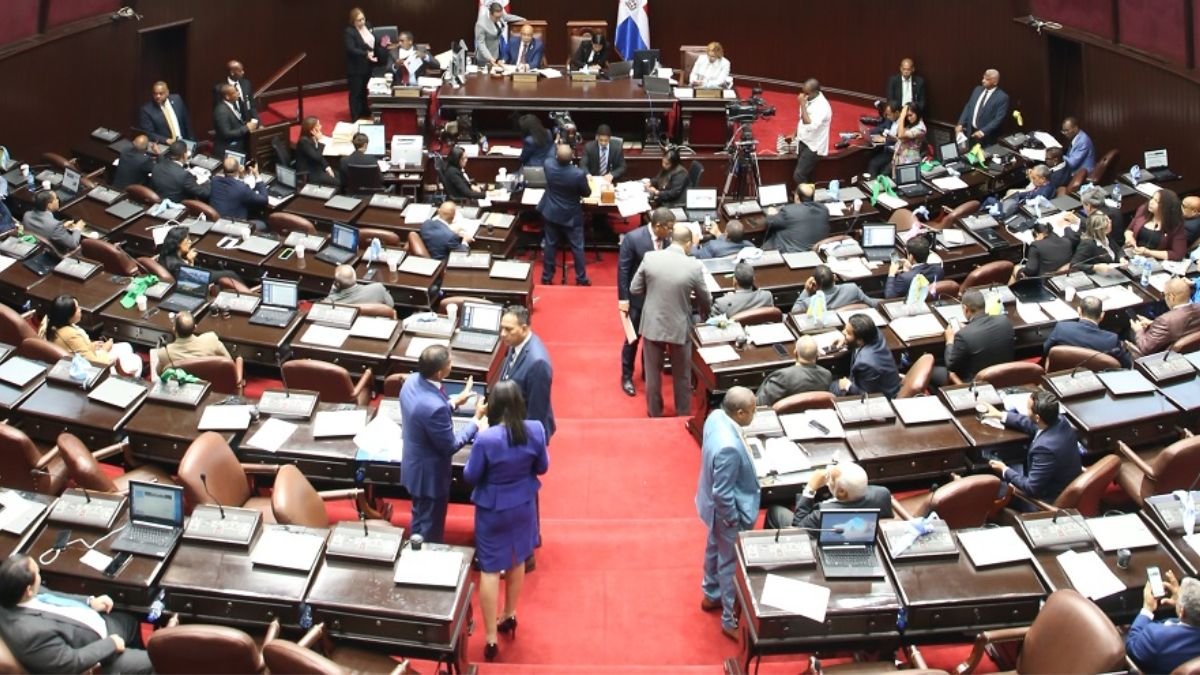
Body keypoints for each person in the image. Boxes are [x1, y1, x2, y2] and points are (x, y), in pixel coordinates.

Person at [463, 380, 547, 662]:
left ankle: (489, 637)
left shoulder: (486, 439)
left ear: (494, 407)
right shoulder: (535, 429)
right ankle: (509, 614)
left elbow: (471, 475)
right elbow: (542, 467)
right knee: (517, 558)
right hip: (523, 506)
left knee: (490, 569)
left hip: (492, 511)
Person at [0, 555, 152, 674]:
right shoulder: (30, 634)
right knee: (154, 662)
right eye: (38, 573)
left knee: (132, 621)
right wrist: (110, 644)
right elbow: (71, 663)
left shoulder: (14, 591)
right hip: (97, 657)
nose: (40, 576)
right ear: (28, 590)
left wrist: (90, 602)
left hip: (97, 625)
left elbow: (54, 596)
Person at [401, 345, 487, 542]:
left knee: (419, 516)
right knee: (430, 528)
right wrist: (476, 420)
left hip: (413, 466)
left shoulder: (411, 381)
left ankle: (416, 548)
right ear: (440, 373)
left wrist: (454, 402)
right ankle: (425, 556)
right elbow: (450, 445)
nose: (452, 364)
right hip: (430, 477)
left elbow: (425, 410)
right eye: (449, 363)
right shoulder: (434, 408)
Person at [695, 386, 761, 642]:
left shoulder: (716, 416)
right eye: (753, 410)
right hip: (727, 512)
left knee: (714, 546)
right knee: (730, 563)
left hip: (711, 507)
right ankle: (728, 619)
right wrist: (732, 520)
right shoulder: (729, 448)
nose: (755, 414)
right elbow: (723, 493)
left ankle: (711, 594)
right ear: (741, 413)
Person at [630, 223, 712, 417]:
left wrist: (654, 294)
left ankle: (654, 412)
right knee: (682, 375)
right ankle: (682, 414)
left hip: (653, 323)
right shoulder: (693, 266)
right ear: (688, 244)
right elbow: (705, 298)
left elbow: (634, 288)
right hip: (679, 326)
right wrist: (704, 314)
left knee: (652, 374)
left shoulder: (650, 258)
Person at [981, 389, 1082, 507]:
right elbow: (1032, 425)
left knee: (991, 490)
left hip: (1046, 499)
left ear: (1038, 417)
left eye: (1028, 409)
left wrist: (1004, 470)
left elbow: (1031, 488)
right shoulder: (1060, 421)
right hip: (1056, 480)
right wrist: (1000, 415)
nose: (1026, 411)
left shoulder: (1045, 450)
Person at [618, 208, 674, 397]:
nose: (671, 232)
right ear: (658, 226)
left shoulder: (668, 240)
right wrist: (623, 299)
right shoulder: (633, 238)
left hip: (658, 300)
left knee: (653, 339)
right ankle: (626, 376)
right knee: (632, 340)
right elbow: (623, 271)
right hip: (636, 300)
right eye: (669, 228)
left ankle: (647, 372)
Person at [763, 461, 893, 530]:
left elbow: (798, 531)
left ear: (841, 492)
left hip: (825, 545)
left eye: (832, 479)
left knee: (775, 511)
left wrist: (810, 489)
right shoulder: (882, 494)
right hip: (861, 534)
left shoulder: (822, 514)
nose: (829, 480)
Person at [537, 144, 591, 286]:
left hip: (552, 213)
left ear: (556, 156)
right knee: (577, 247)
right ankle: (581, 279)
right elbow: (586, 193)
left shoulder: (549, 166)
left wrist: (555, 143)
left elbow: (549, 155)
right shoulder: (578, 174)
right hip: (571, 216)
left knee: (550, 245)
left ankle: (547, 277)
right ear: (572, 157)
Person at [1127, 570, 1200, 673]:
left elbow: (1132, 647)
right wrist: (1180, 604)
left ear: (1182, 612)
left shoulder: (1157, 636)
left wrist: (1147, 609)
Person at [498, 305, 554, 439]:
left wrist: (525, 445)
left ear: (524, 329)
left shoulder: (538, 364)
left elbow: (536, 415)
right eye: (502, 328)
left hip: (523, 436)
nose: (503, 334)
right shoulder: (516, 343)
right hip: (510, 424)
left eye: (508, 329)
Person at [939, 289, 1015, 385]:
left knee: (937, 372)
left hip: (976, 384)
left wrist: (950, 340)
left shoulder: (963, 335)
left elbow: (951, 365)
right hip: (1003, 378)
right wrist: (969, 328)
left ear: (965, 308)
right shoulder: (1004, 321)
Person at [1043, 296, 1130, 367]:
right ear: (1102, 315)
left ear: (1079, 311)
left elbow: (1045, 351)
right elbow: (1127, 365)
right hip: (1097, 379)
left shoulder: (1062, 328)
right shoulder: (1111, 340)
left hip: (1060, 374)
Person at [829, 314, 901, 398]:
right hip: (873, 380)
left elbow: (865, 394)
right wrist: (846, 339)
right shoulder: (874, 333)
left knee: (831, 387)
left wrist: (847, 385)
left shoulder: (866, 363)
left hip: (880, 396)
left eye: (848, 333)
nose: (843, 332)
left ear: (860, 340)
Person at [756, 335, 833, 406]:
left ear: (795, 352)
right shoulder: (826, 375)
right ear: (817, 354)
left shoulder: (783, 377)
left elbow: (760, 403)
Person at [157, 225, 244, 285]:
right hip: (197, 281)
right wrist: (190, 261)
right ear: (178, 244)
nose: (190, 242)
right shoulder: (177, 265)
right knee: (230, 274)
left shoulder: (164, 254)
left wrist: (189, 261)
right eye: (187, 240)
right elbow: (191, 278)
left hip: (187, 277)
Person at [1133, 277, 1200, 355]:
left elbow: (1145, 348)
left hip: (1161, 357)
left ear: (1171, 297)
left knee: (1126, 333)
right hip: (1191, 353)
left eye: (1164, 294)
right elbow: (1181, 325)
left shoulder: (1165, 321)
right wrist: (1153, 323)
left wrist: (1138, 330)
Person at [154, 310, 232, 374]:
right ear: (195, 327)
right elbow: (229, 362)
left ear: (174, 329)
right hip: (212, 384)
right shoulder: (211, 339)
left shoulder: (165, 353)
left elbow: (159, 373)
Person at [1127, 188, 1188, 262]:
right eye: (1152, 198)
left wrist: (1149, 252)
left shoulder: (1176, 225)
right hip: (1131, 254)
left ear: (1166, 207)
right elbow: (1129, 229)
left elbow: (1178, 254)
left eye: (1156, 201)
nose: (1151, 202)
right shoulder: (1143, 210)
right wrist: (1129, 237)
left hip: (1154, 261)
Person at [763, 184, 829, 253]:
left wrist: (771, 213)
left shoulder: (789, 211)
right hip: (815, 253)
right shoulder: (823, 209)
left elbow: (770, 222)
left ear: (797, 197)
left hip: (791, 253)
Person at [345, 8, 384, 120]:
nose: (362, 22)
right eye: (359, 20)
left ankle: (365, 110)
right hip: (356, 67)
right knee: (356, 92)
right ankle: (355, 115)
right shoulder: (349, 31)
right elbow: (351, 49)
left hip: (368, 65)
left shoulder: (368, 25)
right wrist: (365, 54)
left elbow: (373, 40)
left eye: (363, 19)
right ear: (353, 21)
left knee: (364, 90)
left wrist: (383, 43)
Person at [791, 265, 880, 313]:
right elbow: (872, 303)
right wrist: (887, 300)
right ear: (834, 278)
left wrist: (806, 290)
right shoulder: (852, 289)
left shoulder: (809, 302)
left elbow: (794, 311)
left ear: (815, 284)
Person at [955, 69, 1009, 147]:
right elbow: (968, 106)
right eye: (983, 78)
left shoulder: (1002, 97)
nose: (983, 81)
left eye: (987, 79)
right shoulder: (977, 89)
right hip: (971, 133)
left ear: (995, 82)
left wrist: (982, 131)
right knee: (969, 154)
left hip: (987, 138)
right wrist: (960, 123)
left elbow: (998, 119)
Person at [793, 79, 832, 184]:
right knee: (807, 175)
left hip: (814, 147)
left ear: (815, 92)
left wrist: (802, 104)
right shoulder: (808, 99)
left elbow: (809, 125)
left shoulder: (822, 107)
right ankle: (807, 192)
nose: (803, 95)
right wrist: (794, 134)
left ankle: (804, 194)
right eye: (803, 92)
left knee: (799, 175)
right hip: (803, 140)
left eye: (806, 93)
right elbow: (801, 119)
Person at [22, 190, 84, 254]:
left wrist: (63, 227)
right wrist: (77, 228)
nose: (58, 200)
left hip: (34, 249)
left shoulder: (27, 215)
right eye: (56, 199)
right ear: (49, 205)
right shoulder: (54, 225)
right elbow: (73, 244)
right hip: (52, 255)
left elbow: (45, 230)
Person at [209, 157, 268, 222]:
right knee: (262, 222)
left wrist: (242, 176)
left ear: (223, 169)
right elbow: (264, 200)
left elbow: (232, 183)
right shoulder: (242, 188)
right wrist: (256, 174)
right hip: (234, 225)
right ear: (238, 169)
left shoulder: (215, 181)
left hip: (216, 222)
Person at [213, 83, 258, 159]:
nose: (238, 93)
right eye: (235, 92)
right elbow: (226, 133)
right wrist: (246, 128)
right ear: (227, 97)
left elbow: (236, 123)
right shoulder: (221, 111)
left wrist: (247, 124)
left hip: (237, 147)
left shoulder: (231, 105)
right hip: (229, 150)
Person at [475, 2, 525, 68]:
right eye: (496, 17)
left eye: (500, 17)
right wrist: (490, 58)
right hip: (485, 58)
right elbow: (481, 44)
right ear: (490, 14)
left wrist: (522, 19)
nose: (499, 19)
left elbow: (507, 17)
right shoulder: (481, 24)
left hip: (498, 53)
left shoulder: (499, 14)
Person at [295, 116, 339, 187]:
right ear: (312, 130)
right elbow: (317, 157)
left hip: (316, 167)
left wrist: (327, 167)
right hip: (309, 173)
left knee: (340, 175)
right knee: (337, 182)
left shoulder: (311, 138)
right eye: (318, 125)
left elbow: (320, 157)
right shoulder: (304, 142)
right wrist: (319, 141)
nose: (321, 127)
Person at [1080, 186, 1126, 252]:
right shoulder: (1116, 210)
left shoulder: (1097, 219)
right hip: (1119, 245)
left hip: (1108, 249)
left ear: (1088, 206)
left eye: (1083, 205)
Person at [325, 264, 395, 308]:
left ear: (337, 284)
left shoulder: (330, 302)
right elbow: (391, 305)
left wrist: (333, 290)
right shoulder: (378, 289)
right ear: (355, 277)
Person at [866, 101, 902, 177]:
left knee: (873, 164)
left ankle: (873, 183)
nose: (887, 117)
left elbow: (900, 140)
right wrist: (868, 132)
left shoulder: (903, 124)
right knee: (868, 155)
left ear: (897, 113)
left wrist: (885, 140)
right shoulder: (890, 120)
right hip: (886, 148)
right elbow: (880, 128)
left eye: (889, 114)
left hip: (894, 152)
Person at [891, 103, 926, 168]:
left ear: (917, 113)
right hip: (899, 160)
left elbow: (901, 135)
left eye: (910, 115)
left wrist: (902, 116)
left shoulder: (920, 128)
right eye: (907, 116)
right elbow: (899, 136)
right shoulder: (909, 124)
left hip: (910, 163)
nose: (909, 118)